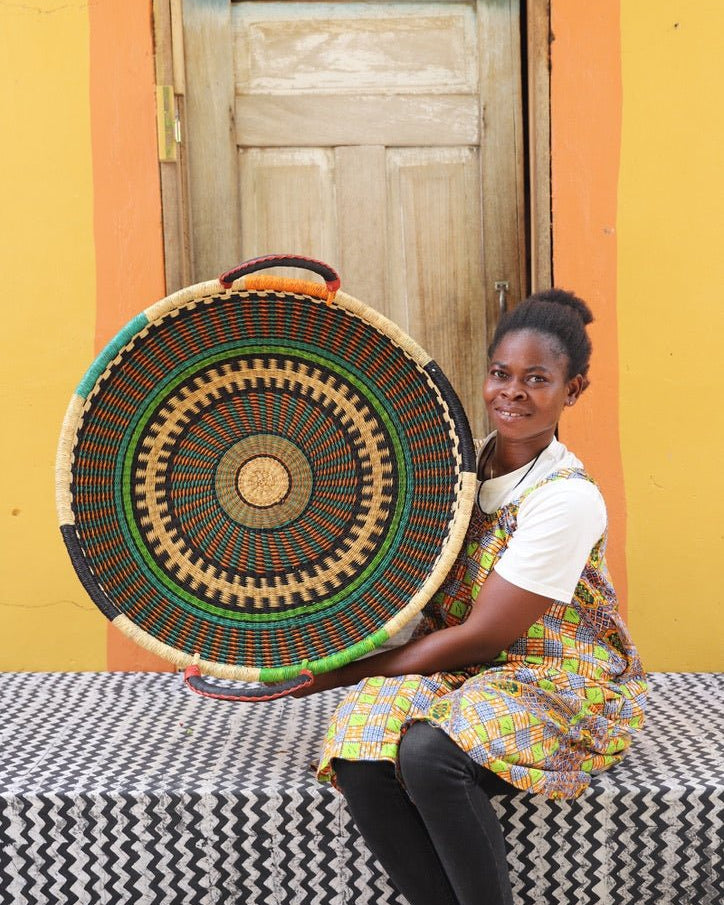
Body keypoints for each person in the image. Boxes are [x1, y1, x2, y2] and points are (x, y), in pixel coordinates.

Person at [297, 289, 648, 905]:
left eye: (536, 379)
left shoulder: (564, 498)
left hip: (557, 676)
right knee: (360, 749)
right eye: (500, 374)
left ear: (573, 391)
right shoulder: (462, 468)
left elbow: (486, 634)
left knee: (430, 753)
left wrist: (335, 674)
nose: (511, 392)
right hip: (465, 666)